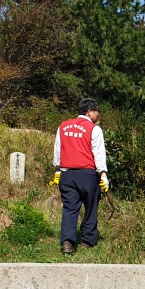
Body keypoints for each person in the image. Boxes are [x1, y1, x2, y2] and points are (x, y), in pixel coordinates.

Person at [52, 98, 108, 255]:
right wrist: (103, 174)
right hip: (88, 174)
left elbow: (58, 150)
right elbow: (98, 153)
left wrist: (58, 169)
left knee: (70, 208)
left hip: (67, 174)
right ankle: (87, 241)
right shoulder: (94, 129)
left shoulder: (63, 126)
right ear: (89, 111)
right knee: (91, 207)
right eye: (97, 112)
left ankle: (68, 242)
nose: (98, 115)